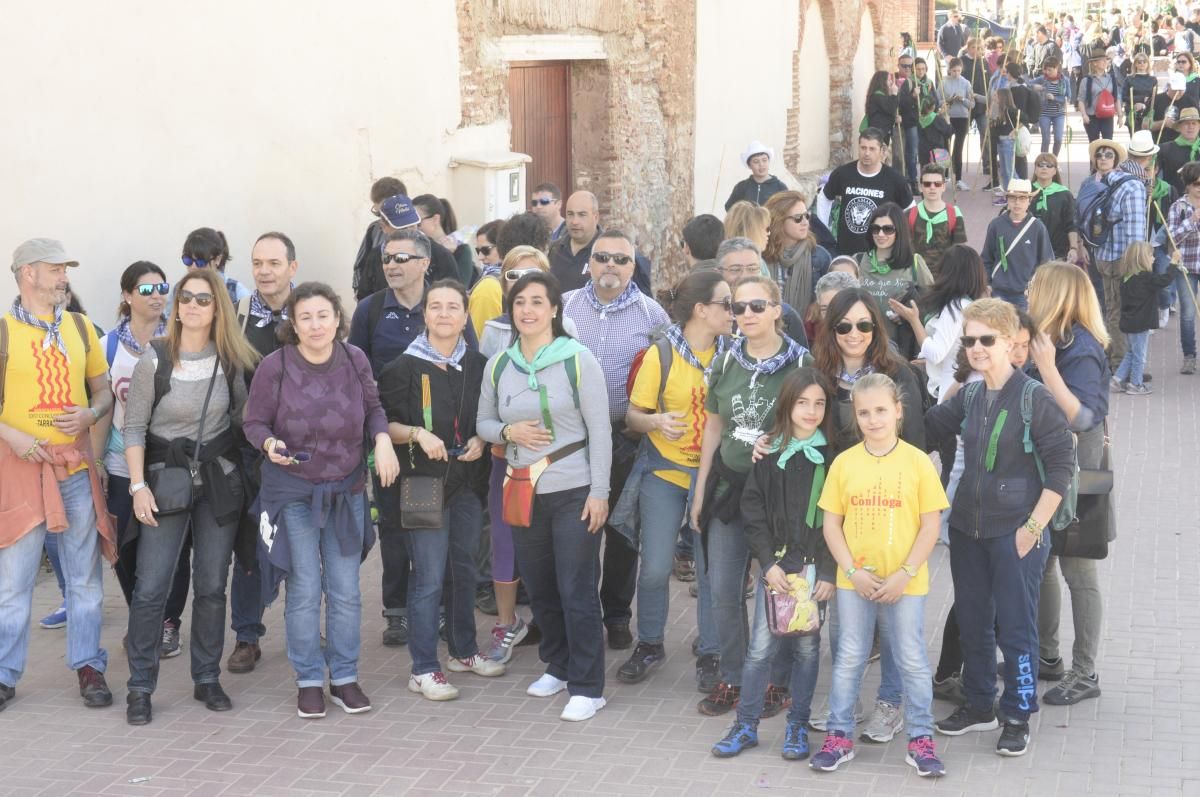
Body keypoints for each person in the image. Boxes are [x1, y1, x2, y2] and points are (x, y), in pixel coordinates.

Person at [925, 299, 1074, 757]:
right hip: (969, 530)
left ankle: (1017, 713)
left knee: (1016, 628)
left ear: (1012, 344)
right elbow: (924, 430)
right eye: (968, 340)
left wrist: (1032, 528)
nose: (976, 348)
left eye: (986, 339)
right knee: (973, 624)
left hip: (1016, 534)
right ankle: (978, 705)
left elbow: (1062, 468)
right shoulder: (970, 395)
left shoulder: (1035, 398)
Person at [243, 281, 396, 718]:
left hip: (345, 487)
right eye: (305, 316)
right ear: (293, 322)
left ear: (337, 319)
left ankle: (344, 676)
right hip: (293, 489)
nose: (315, 324)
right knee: (306, 587)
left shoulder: (354, 358)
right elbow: (253, 423)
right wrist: (270, 444)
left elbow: (373, 410)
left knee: (346, 590)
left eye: (322, 315)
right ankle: (309, 678)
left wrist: (382, 440)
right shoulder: (276, 365)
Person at [122, 266, 259, 725]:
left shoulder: (231, 359)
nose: (192, 306)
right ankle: (140, 685)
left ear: (217, 306)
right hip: (164, 482)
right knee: (152, 587)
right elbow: (134, 426)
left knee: (213, 584)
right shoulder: (155, 359)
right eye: (185, 298)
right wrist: (138, 486)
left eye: (203, 299)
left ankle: (206, 676)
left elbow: (245, 421)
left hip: (218, 485)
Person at [476, 271, 613, 723]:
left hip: (573, 489)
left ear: (554, 309)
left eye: (537, 301)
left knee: (576, 586)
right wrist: (507, 431)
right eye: (520, 302)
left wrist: (599, 492)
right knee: (540, 585)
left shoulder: (577, 360)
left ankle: (589, 686)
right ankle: (558, 663)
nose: (528, 310)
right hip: (521, 489)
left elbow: (601, 430)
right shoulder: (500, 363)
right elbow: (484, 423)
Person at [809, 373, 948, 778]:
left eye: (881, 410)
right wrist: (850, 570)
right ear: (855, 416)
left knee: (911, 658)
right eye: (864, 412)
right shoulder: (844, 464)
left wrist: (905, 574)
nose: (873, 420)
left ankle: (921, 740)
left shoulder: (918, 462)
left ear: (898, 411)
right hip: (856, 581)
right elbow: (831, 525)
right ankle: (839, 736)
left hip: (906, 582)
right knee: (850, 656)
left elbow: (930, 527)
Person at [0, 238, 115, 713]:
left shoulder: (82, 328)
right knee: (14, 581)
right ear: (28, 273)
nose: (64, 276)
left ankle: (89, 665)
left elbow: (104, 391)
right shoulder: (4, 332)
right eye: (56, 269)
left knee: (84, 576)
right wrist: (14, 437)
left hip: (74, 465)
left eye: (65, 268)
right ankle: (5, 675)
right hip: (20, 468)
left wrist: (91, 414)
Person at [689, 276, 810, 717]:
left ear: (778, 309)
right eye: (738, 308)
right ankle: (733, 676)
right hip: (728, 487)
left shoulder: (800, 363)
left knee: (777, 587)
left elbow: (809, 428)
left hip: (778, 493)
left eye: (758, 305)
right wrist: (700, 490)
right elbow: (714, 429)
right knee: (722, 587)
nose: (748, 314)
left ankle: (778, 679)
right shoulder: (725, 361)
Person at [377, 280, 500, 700]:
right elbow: (382, 427)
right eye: (436, 307)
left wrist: (482, 440)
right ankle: (423, 667)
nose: (444, 314)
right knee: (428, 577)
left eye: (453, 307)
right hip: (422, 486)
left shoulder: (480, 365)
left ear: (465, 316)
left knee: (463, 570)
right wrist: (416, 433)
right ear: (425, 315)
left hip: (467, 483)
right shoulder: (402, 368)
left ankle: (463, 650)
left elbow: (489, 416)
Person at [611, 270, 732, 685]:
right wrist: (657, 421)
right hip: (664, 470)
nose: (734, 313)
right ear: (702, 310)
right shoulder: (661, 354)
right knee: (656, 567)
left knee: (710, 569)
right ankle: (649, 644)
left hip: (715, 476)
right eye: (727, 304)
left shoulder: (732, 354)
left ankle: (712, 652)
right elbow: (632, 416)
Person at [709, 368, 834, 761]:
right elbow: (753, 510)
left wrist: (829, 573)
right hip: (778, 569)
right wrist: (767, 563)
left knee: (808, 650)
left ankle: (797, 726)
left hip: (813, 571)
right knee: (760, 650)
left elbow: (839, 519)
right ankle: (745, 725)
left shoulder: (833, 457)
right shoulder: (768, 453)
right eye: (802, 402)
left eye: (819, 403)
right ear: (787, 404)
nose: (811, 411)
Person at [561, 231, 671, 651]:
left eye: (620, 260)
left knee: (622, 532)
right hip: (574, 439)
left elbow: (667, 374)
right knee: (576, 531)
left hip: (625, 437)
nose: (610, 265)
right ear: (589, 262)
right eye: (602, 257)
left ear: (633, 266)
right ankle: (580, 612)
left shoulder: (652, 314)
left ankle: (617, 615)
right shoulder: (566, 306)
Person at [476, 246, 578, 663]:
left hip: (558, 465)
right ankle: (507, 623)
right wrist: (504, 431)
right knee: (505, 540)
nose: (523, 284)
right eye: (514, 276)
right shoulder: (493, 331)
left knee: (551, 545)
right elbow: (487, 397)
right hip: (508, 459)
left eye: (533, 276)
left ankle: (552, 625)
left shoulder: (567, 329)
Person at [1025, 263, 1111, 705]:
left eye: (1035, 286)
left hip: (1080, 469)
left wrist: (1046, 367)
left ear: (1055, 294)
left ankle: (1085, 672)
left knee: (1079, 567)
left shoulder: (1081, 348)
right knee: (1045, 563)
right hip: (1049, 464)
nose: (1027, 290)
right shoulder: (1052, 338)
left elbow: (1083, 416)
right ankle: (1047, 656)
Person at [225, 232, 299, 675]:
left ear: (293, 266)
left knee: (309, 543)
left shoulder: (312, 311)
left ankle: (307, 627)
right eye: (257, 263)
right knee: (250, 547)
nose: (265, 271)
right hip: (249, 451)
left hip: (303, 454)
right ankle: (246, 635)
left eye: (274, 262)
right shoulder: (235, 316)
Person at [95, 263, 169, 612]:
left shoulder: (179, 340)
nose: (156, 296)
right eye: (146, 290)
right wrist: (97, 463)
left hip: (168, 465)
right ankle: (141, 614)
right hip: (122, 465)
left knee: (169, 553)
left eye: (161, 288)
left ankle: (166, 622)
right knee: (122, 551)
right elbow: (102, 410)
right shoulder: (106, 347)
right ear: (127, 295)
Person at [889, 244, 988, 402]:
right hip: (969, 390)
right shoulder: (971, 306)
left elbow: (936, 353)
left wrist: (914, 320)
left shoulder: (954, 308)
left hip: (951, 393)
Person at [1082, 140, 1146, 371]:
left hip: (1103, 255)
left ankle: (1112, 358)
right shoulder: (1133, 187)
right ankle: (1122, 364)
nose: (1103, 158)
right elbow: (1136, 231)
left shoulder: (1099, 183)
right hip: (1123, 259)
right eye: (1100, 155)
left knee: (1111, 310)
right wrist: (1138, 266)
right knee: (1126, 312)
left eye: (1108, 155)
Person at [854, 203, 935, 358]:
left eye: (888, 229)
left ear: (899, 231)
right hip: (862, 346)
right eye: (875, 228)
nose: (881, 234)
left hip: (900, 349)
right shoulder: (857, 261)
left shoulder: (914, 263)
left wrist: (909, 315)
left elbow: (932, 303)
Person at [818, 128, 913, 256]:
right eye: (863, 148)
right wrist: (824, 231)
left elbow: (910, 210)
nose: (867, 153)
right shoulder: (843, 173)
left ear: (881, 151)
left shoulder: (894, 179)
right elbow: (824, 197)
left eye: (872, 149)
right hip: (846, 251)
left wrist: (898, 238)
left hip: (879, 254)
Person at [354, 193, 459, 301]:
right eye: (401, 227)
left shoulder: (441, 255)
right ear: (383, 227)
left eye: (413, 224)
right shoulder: (375, 257)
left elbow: (455, 298)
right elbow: (364, 297)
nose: (409, 231)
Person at [549, 192, 651, 295]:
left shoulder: (617, 254)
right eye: (570, 214)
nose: (575, 221)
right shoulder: (553, 250)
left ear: (596, 217)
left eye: (582, 215)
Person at [716, 237, 809, 347]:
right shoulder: (710, 314)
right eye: (735, 269)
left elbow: (801, 361)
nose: (745, 276)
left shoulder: (785, 314)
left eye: (752, 268)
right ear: (718, 273)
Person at [1111, 242, 1177, 394]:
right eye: (1150, 255)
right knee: (1139, 356)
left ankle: (1118, 379)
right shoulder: (1146, 278)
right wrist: (1173, 263)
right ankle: (1135, 384)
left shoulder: (1126, 278)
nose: (1153, 258)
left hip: (1129, 323)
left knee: (1131, 353)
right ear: (1142, 259)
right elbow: (1164, 280)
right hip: (1140, 324)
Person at [981, 179, 1054, 309]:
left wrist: (1036, 288)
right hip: (998, 292)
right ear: (1007, 199)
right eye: (1013, 198)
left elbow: (1047, 263)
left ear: (1029, 201)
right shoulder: (996, 225)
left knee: (1024, 328)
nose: (1017, 202)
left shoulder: (1037, 227)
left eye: (1022, 198)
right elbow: (986, 258)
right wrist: (987, 283)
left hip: (1025, 295)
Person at [762, 191, 832, 322]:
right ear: (778, 220)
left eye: (807, 216)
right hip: (767, 329)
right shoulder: (761, 255)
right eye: (798, 218)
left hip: (804, 335)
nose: (805, 222)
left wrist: (818, 303)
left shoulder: (819, 256)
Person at [1165, 159, 1200, 375]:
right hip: (1186, 267)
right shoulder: (1178, 207)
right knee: (1187, 314)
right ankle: (1189, 356)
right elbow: (1172, 238)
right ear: (1188, 184)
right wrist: (1192, 220)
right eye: (1197, 183)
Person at [351, 176, 407, 299]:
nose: (382, 221)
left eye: (385, 213)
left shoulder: (422, 236)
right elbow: (360, 265)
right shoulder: (374, 229)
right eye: (378, 213)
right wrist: (360, 294)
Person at [908, 164, 967, 277]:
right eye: (927, 184)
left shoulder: (954, 214)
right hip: (917, 279)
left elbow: (959, 252)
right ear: (920, 187)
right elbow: (906, 251)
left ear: (943, 187)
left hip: (946, 279)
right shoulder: (910, 214)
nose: (932, 187)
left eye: (937, 184)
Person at [179, 227, 251, 306]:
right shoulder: (179, 290)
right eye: (188, 260)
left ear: (217, 259)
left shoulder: (237, 293)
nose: (193, 267)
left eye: (201, 262)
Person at [1029, 154, 1082, 262]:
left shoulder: (1064, 194)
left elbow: (1071, 224)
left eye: (1049, 165)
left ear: (1055, 171)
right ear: (1035, 169)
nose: (1044, 168)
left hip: (1057, 253)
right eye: (1040, 165)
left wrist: (1073, 248)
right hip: (1029, 252)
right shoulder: (1025, 192)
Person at [413, 195, 475, 287]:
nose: (414, 228)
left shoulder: (461, 250)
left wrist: (445, 256)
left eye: (418, 223)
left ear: (435, 219)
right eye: (411, 224)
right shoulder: (414, 248)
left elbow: (459, 289)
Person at [467, 219, 506, 338]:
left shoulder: (488, 286)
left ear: (503, 246)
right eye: (478, 250)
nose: (480, 257)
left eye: (485, 250)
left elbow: (479, 336)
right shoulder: (517, 275)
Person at [941, 58, 976, 188]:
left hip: (962, 117)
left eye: (959, 71)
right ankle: (944, 175)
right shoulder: (943, 82)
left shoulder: (966, 83)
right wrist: (948, 101)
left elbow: (972, 103)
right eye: (954, 70)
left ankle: (959, 179)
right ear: (949, 70)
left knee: (958, 148)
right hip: (947, 118)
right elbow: (938, 101)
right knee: (944, 148)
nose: (956, 73)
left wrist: (963, 99)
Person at [724, 141, 789, 210]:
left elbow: (787, 210)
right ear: (749, 165)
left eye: (764, 160)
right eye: (756, 161)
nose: (761, 164)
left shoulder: (780, 187)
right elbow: (729, 208)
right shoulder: (742, 187)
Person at [1029, 56, 1071, 155]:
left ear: (1057, 68)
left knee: (1058, 139)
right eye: (1045, 70)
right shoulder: (1042, 79)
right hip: (1044, 113)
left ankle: (1054, 160)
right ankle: (1043, 160)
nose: (1047, 72)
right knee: (1046, 139)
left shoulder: (1065, 80)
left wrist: (1054, 98)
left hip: (1059, 113)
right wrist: (1034, 86)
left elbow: (1068, 98)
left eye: (1050, 70)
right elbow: (1026, 84)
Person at [1078, 50, 1121, 142]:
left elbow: (1116, 98)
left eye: (1106, 60)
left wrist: (1120, 116)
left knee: (1108, 143)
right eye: (1102, 60)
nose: (1105, 62)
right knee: (1094, 144)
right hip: (1092, 116)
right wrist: (1084, 115)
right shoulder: (1086, 80)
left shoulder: (1111, 78)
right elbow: (1081, 100)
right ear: (1094, 63)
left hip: (1108, 115)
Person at [1157, 107, 1200, 194]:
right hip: (1174, 199)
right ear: (1179, 127)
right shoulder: (1165, 149)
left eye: (1194, 123)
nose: (1190, 127)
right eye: (1187, 124)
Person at [864, 71, 901, 148]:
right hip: (878, 133)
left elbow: (887, 112)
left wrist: (895, 119)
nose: (891, 82)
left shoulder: (882, 96)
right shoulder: (877, 96)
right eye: (889, 80)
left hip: (883, 132)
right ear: (882, 82)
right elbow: (891, 108)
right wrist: (894, 94)